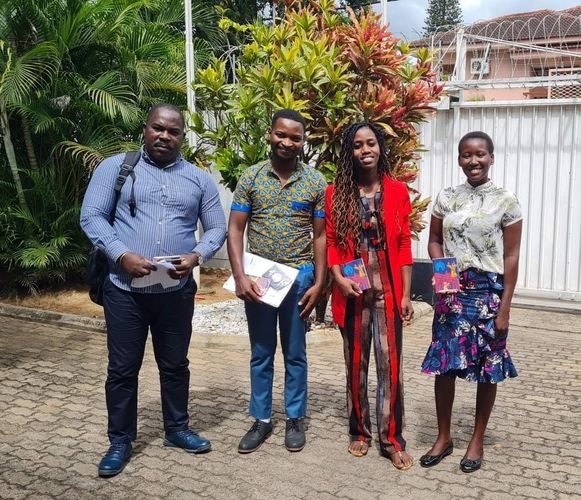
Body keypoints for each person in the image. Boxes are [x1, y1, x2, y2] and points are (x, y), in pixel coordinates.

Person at [80, 104, 227, 477]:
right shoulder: (116, 168)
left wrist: (197, 256)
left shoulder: (198, 179)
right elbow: (91, 216)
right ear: (145, 129)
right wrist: (122, 254)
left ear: (182, 137)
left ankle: (177, 429)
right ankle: (119, 440)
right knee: (123, 369)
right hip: (124, 289)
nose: (165, 136)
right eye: (158, 128)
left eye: (173, 131)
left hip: (175, 292)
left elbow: (216, 228)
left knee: (175, 365)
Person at [419, 131, 522, 473]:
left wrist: (505, 307)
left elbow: (511, 256)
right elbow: (434, 241)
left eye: (480, 154)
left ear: (491, 157)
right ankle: (444, 437)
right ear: (459, 158)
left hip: (488, 293)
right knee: (445, 365)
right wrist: (444, 276)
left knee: (488, 369)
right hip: (451, 290)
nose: (473, 161)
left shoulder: (506, 201)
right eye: (466, 155)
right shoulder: (447, 197)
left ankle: (476, 440)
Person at [227, 109, 327, 454]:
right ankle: (262, 419)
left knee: (296, 353)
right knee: (261, 351)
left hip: (299, 277)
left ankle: (295, 418)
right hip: (260, 277)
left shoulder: (315, 182)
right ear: (270, 135)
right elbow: (235, 228)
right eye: (281, 135)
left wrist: (319, 281)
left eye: (295, 138)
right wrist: (240, 276)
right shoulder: (251, 177)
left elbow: (320, 236)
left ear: (303, 142)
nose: (287, 142)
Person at [325, 122, 414, 470]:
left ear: (380, 148)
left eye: (371, 143)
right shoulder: (337, 193)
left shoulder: (396, 190)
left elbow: (405, 243)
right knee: (356, 365)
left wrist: (406, 294)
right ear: (350, 152)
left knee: (390, 366)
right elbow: (332, 243)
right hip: (352, 290)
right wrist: (337, 278)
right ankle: (358, 432)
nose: (366, 150)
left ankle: (391, 438)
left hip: (388, 290)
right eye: (359, 145)